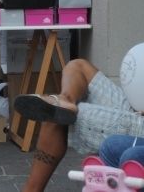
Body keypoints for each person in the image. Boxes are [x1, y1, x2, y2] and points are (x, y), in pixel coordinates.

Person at [12, 55, 144, 192]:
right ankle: (65, 99)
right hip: (135, 101)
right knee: (78, 66)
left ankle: (30, 190)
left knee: (56, 116)